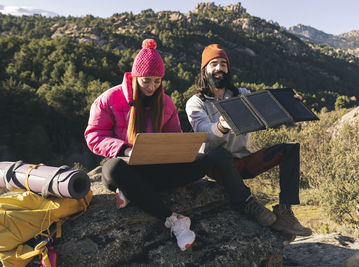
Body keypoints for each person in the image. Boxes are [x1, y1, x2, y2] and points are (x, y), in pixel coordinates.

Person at [84, 39, 276, 252]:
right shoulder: (110, 99)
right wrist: (125, 150)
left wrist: (178, 150)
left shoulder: (165, 102)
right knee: (113, 170)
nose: (152, 87)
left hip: (157, 167)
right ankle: (174, 221)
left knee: (210, 158)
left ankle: (133, 190)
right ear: (135, 76)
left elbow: (175, 136)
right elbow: (94, 135)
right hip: (126, 163)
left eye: (157, 82)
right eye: (146, 81)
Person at [185, 44, 312, 236]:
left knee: (290, 149)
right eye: (214, 64)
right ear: (205, 71)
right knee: (218, 153)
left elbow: (266, 109)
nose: (219, 68)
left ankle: (285, 212)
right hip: (217, 167)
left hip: (245, 162)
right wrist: (221, 127)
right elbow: (201, 130)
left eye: (223, 64)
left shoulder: (241, 95)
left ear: (228, 69)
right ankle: (247, 202)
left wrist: (289, 103)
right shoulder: (196, 102)